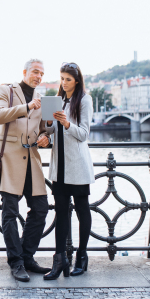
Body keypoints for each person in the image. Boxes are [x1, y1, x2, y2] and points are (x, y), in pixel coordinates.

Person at [0, 58, 53, 282]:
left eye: (42, 74)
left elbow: (43, 128)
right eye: (35, 72)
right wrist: (26, 107)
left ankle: (27, 257)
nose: (38, 76)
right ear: (25, 72)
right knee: (9, 212)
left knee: (40, 208)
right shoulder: (6, 90)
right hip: (9, 159)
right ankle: (15, 262)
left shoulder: (42, 99)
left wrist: (46, 137)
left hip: (32, 160)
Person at [41, 62, 95, 280]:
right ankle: (60, 259)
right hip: (60, 166)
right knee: (61, 212)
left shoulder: (84, 100)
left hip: (77, 165)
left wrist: (65, 124)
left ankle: (82, 256)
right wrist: (47, 125)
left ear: (77, 80)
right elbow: (51, 129)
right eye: (61, 78)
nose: (63, 83)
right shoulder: (58, 100)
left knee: (82, 210)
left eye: (68, 79)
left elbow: (83, 134)